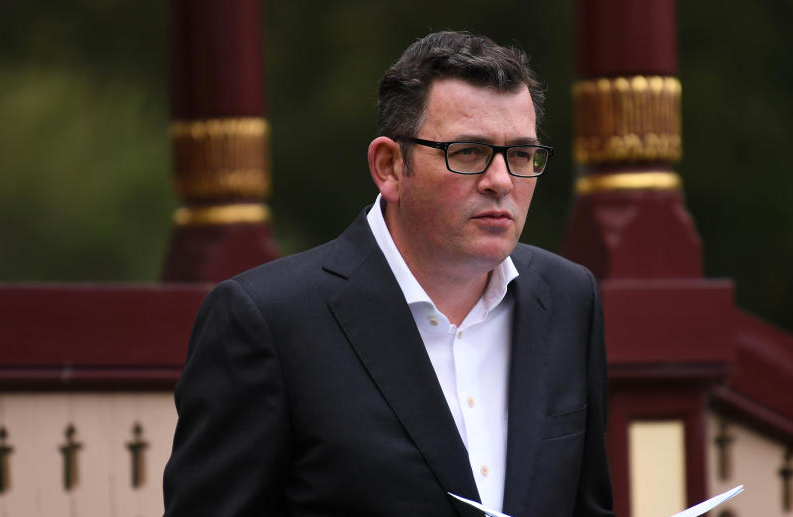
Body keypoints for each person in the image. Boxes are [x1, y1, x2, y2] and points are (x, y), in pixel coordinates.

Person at [163, 31, 613, 517]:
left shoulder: (569, 298)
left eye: (521, 155)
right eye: (467, 152)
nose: (501, 181)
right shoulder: (265, 321)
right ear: (390, 166)